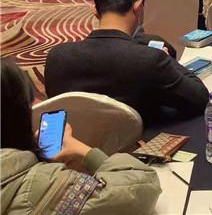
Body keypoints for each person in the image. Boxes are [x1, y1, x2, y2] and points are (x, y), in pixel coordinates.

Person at [44, 0, 209, 123]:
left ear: (94, 10)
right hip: (137, 142)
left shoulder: (57, 57)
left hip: (74, 142)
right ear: (139, 7)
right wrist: (166, 59)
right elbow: (200, 97)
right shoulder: (149, 59)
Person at [0, 60, 162, 214]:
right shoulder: (40, 187)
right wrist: (84, 151)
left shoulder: (57, 56)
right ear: (16, 116)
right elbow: (140, 188)